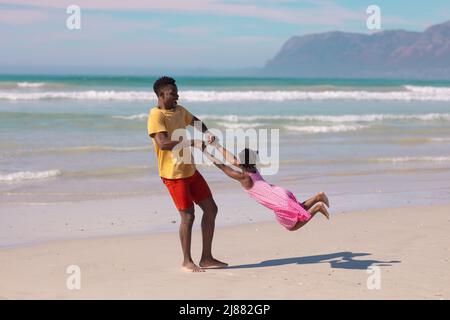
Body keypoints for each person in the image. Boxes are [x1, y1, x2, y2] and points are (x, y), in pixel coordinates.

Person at [147, 76, 227, 272]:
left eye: (177, 92)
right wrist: (191, 142)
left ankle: (206, 258)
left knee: (211, 209)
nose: (177, 96)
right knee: (188, 216)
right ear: (161, 95)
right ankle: (186, 261)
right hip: (173, 175)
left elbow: (196, 122)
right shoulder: (156, 116)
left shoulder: (180, 111)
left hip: (189, 169)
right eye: (173, 93)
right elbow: (163, 143)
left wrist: (206, 133)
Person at [204, 144, 330, 231]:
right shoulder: (252, 168)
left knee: (292, 227)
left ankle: (317, 207)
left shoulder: (244, 178)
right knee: (297, 210)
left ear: (241, 163)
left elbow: (223, 167)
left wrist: (205, 151)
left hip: (278, 202)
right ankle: (318, 197)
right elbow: (232, 160)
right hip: (280, 192)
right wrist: (216, 145)